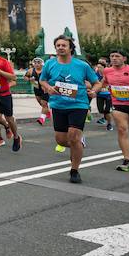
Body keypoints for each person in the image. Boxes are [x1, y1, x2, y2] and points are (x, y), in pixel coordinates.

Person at [38, 36, 101, 183]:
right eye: (58, 45)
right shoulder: (49, 64)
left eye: (63, 45)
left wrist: (94, 92)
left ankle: (74, 170)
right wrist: (48, 88)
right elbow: (42, 80)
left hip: (78, 104)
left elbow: (96, 83)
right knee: (61, 140)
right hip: (58, 104)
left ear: (70, 48)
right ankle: (79, 142)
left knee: (73, 136)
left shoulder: (82, 65)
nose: (60, 47)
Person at [26, 57, 49, 125]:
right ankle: (47, 112)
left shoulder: (45, 70)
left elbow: (51, 78)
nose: (37, 64)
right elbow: (25, 77)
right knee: (41, 103)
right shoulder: (30, 70)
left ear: (42, 64)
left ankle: (42, 119)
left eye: (38, 63)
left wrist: (46, 84)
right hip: (36, 89)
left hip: (45, 89)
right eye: (35, 63)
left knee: (44, 103)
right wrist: (30, 79)